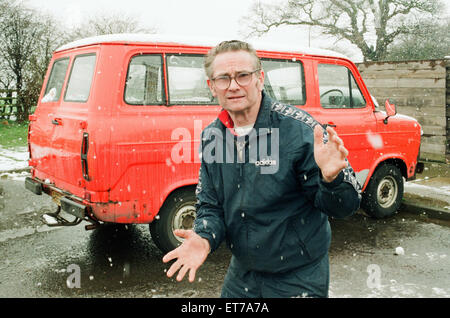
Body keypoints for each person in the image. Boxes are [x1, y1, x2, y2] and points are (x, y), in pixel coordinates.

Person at [162, 40, 361, 298]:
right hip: (244, 272)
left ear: (260, 78)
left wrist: (332, 180)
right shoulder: (213, 136)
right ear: (212, 86)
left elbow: (345, 206)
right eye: (223, 78)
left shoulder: (299, 131)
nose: (233, 86)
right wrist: (203, 237)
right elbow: (210, 205)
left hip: (298, 274)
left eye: (243, 75)